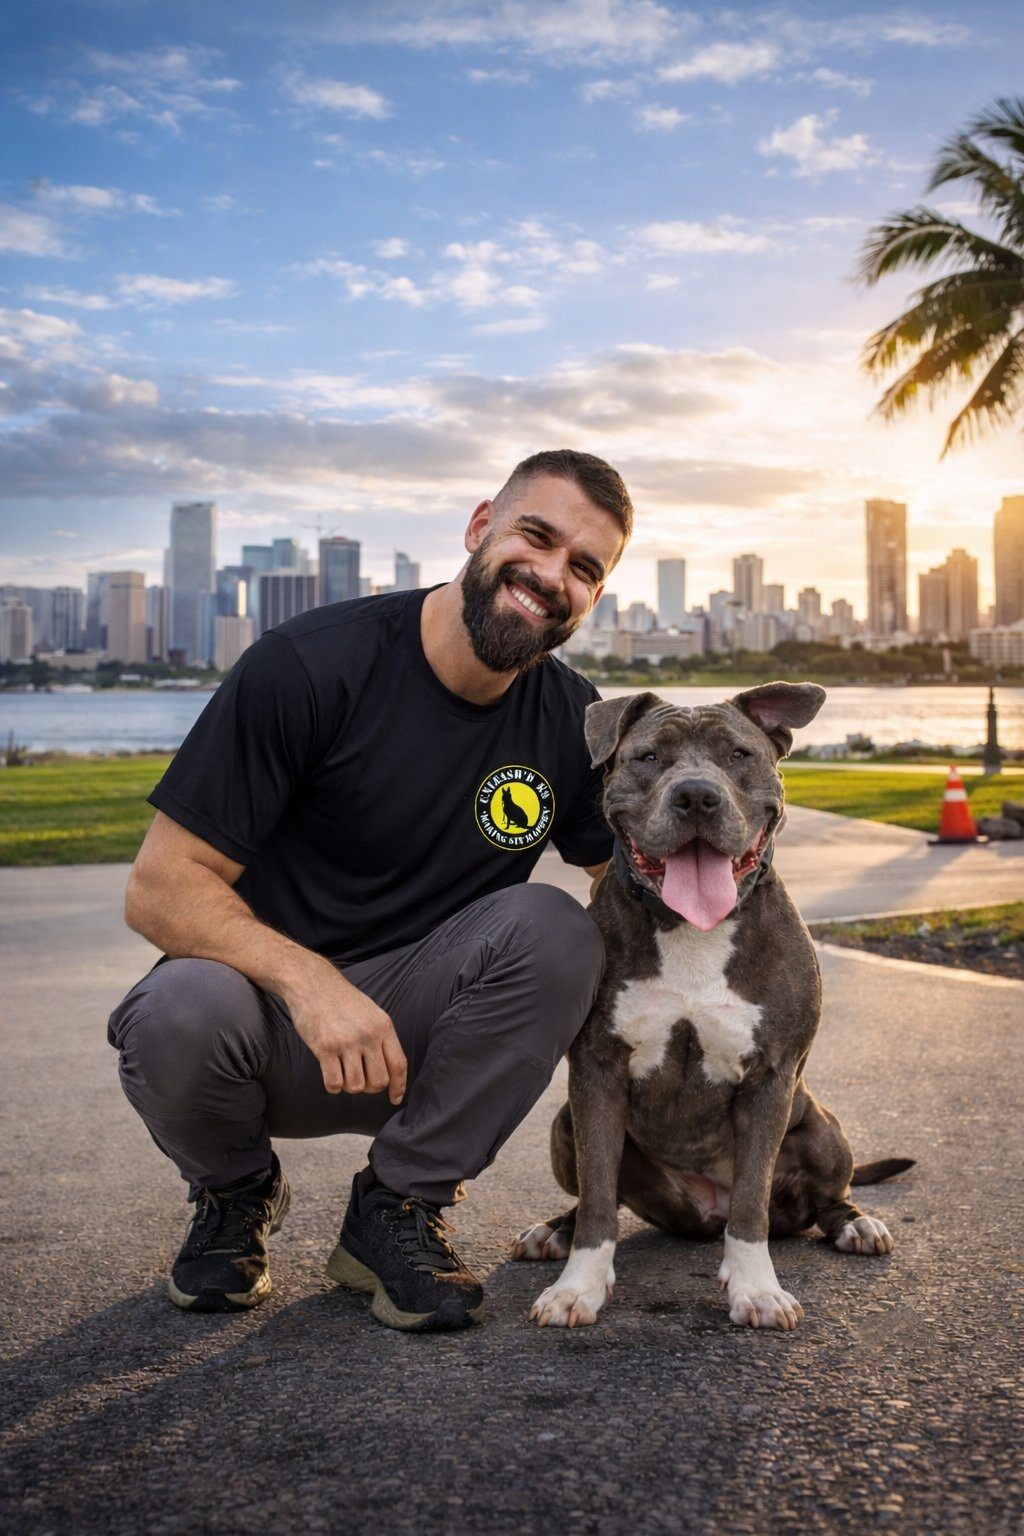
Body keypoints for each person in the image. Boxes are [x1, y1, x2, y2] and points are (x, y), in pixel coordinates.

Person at [108, 448, 632, 1332]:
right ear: (480, 529)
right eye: (536, 539)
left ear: (594, 599)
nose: (551, 577)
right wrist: (311, 983)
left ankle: (394, 1211)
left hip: (427, 1038)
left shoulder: (572, 722)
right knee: (174, 1010)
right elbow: (159, 890)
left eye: (584, 569)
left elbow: (625, 887)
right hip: (268, 1030)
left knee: (559, 929)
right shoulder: (311, 665)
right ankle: (236, 1194)